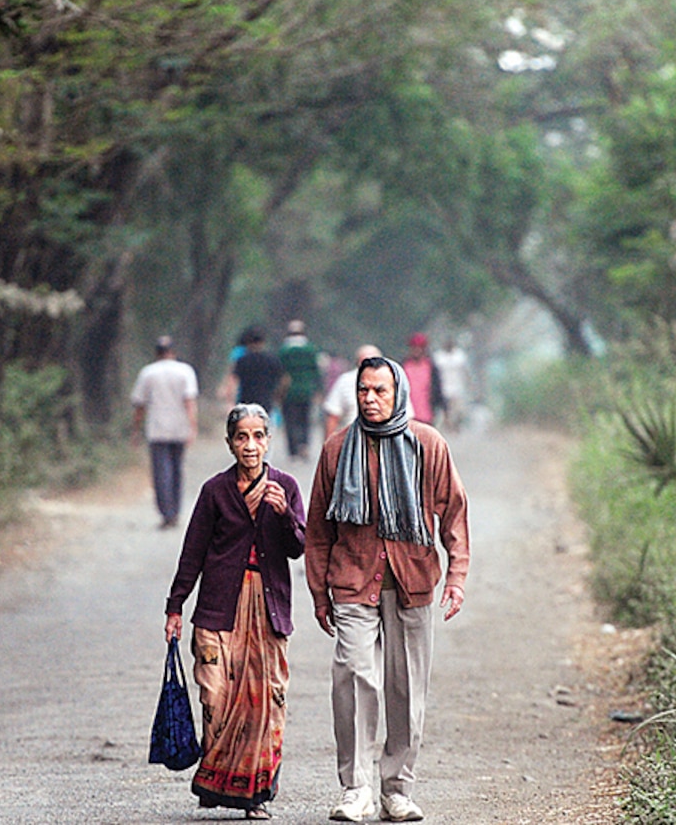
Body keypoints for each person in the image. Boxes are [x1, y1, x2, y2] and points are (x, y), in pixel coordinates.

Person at [305, 357, 470, 823]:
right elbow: (318, 529)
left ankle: (396, 788)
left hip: (412, 580)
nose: (370, 399)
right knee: (354, 677)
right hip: (353, 580)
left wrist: (456, 576)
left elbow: (454, 513)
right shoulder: (337, 450)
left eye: (380, 390)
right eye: (363, 391)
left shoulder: (428, 445)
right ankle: (356, 789)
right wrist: (320, 593)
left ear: (398, 392)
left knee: (406, 688)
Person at [163, 404, 307, 820]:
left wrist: (284, 515)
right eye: (241, 437)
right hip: (219, 606)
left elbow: (299, 546)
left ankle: (255, 795)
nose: (250, 445)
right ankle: (216, 778)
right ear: (229, 443)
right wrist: (176, 606)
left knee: (264, 699)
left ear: (268, 440)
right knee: (216, 693)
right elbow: (193, 552)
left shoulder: (286, 486)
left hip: (267, 607)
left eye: (258, 436)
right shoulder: (215, 491)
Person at [130, 335, 198, 528]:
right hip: (179, 427)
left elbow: (139, 405)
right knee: (176, 470)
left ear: (156, 353)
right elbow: (190, 402)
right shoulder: (185, 371)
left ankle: (166, 512)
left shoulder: (148, 373)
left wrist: (136, 430)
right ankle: (175, 510)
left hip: (157, 428)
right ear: (173, 352)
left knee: (161, 472)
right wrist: (193, 427)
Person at [277, 319, 323, 460]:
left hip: (288, 391)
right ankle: (304, 445)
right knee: (305, 420)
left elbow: (279, 372)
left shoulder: (284, 351)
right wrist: (319, 390)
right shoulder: (311, 349)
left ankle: (293, 450)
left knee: (290, 421)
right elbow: (316, 372)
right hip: (306, 390)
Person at [233, 327, 287, 415]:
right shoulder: (272, 360)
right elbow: (285, 380)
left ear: (248, 343)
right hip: (265, 401)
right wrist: (278, 396)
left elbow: (234, 381)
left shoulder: (242, 360)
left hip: (246, 402)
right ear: (263, 342)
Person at [400, 333, 445, 426]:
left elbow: (437, 388)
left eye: (419, 348)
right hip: (407, 415)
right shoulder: (404, 366)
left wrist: (442, 407)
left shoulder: (431, 367)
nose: (416, 351)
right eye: (414, 348)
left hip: (427, 414)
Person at [432, 338, 471, 433]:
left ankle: (456, 425)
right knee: (446, 410)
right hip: (443, 387)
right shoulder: (438, 357)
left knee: (459, 410)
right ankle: (449, 426)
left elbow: (465, 371)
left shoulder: (460, 356)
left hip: (458, 387)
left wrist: (469, 383)